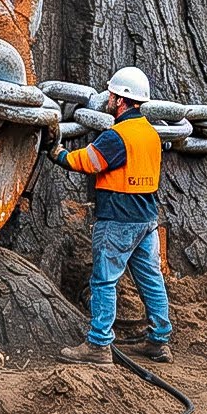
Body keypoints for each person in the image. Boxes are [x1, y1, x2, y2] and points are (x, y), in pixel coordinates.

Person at [48, 66, 173, 366]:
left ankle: (98, 345)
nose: (108, 100)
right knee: (152, 280)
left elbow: (88, 162)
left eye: (111, 95)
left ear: (120, 100)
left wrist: (57, 153)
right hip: (146, 219)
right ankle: (159, 341)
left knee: (104, 282)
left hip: (118, 219)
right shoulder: (150, 134)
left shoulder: (117, 137)